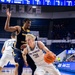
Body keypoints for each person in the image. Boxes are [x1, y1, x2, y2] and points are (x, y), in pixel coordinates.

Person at [4, 8, 36, 75]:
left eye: (30, 23)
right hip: (17, 51)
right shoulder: (19, 28)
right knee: (20, 64)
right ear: (24, 23)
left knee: (34, 67)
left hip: (26, 52)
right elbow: (6, 28)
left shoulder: (29, 32)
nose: (29, 25)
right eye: (28, 23)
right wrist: (8, 17)